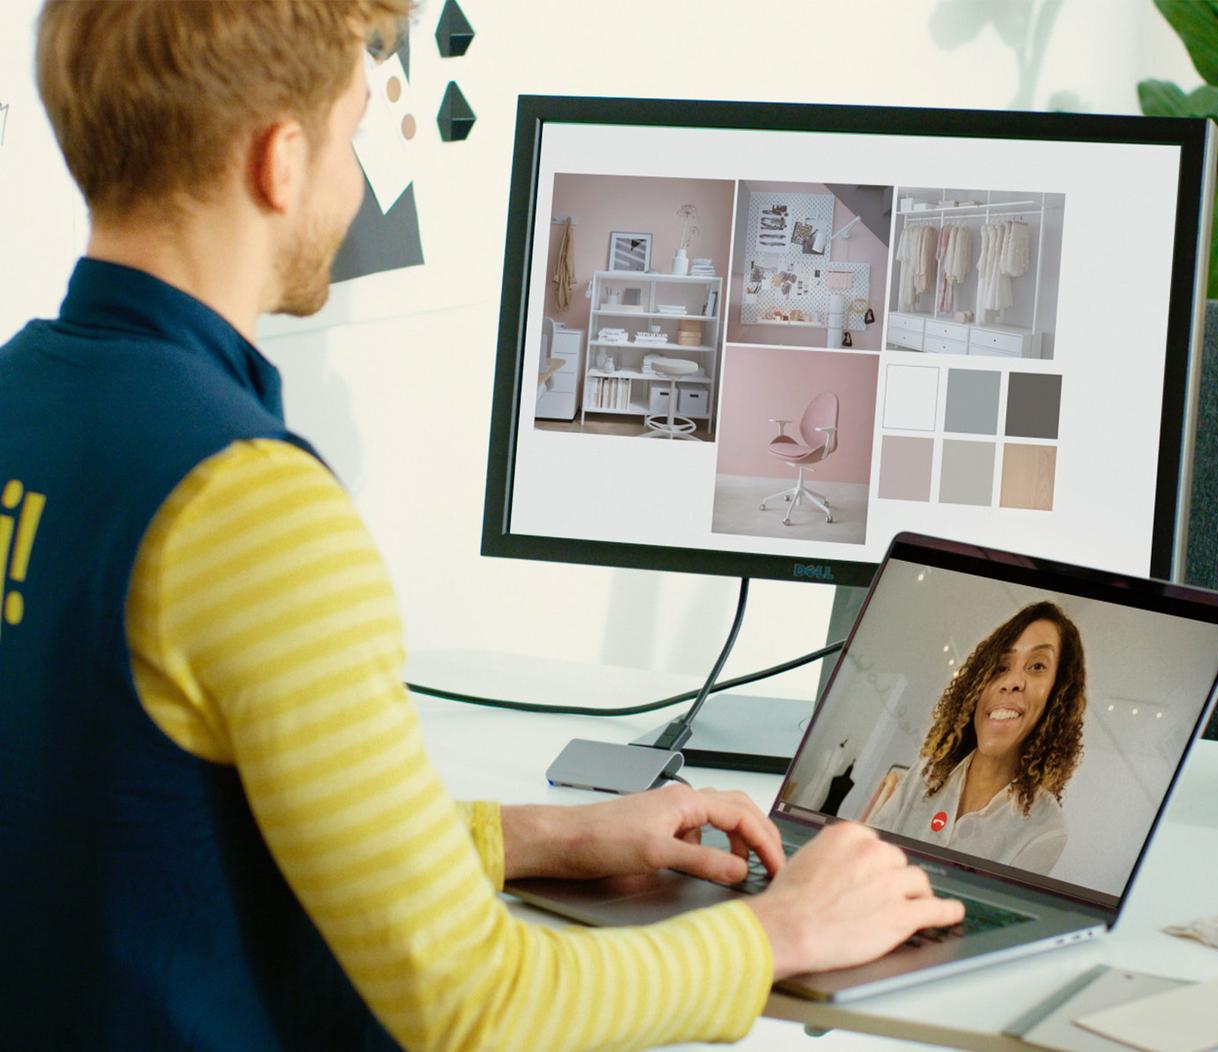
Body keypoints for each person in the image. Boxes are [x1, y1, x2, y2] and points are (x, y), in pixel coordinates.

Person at [0, 2, 965, 1047]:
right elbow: (471, 1000)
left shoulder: (22, 403)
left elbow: (152, 832)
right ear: (279, 162)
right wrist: (781, 930)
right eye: (354, 129)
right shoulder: (245, 505)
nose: (357, 182)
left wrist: (537, 834)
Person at [868, 601, 1087, 874]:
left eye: (1037, 666)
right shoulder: (925, 775)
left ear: (1058, 695)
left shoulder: (1046, 828)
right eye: (1001, 667)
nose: (1012, 681)